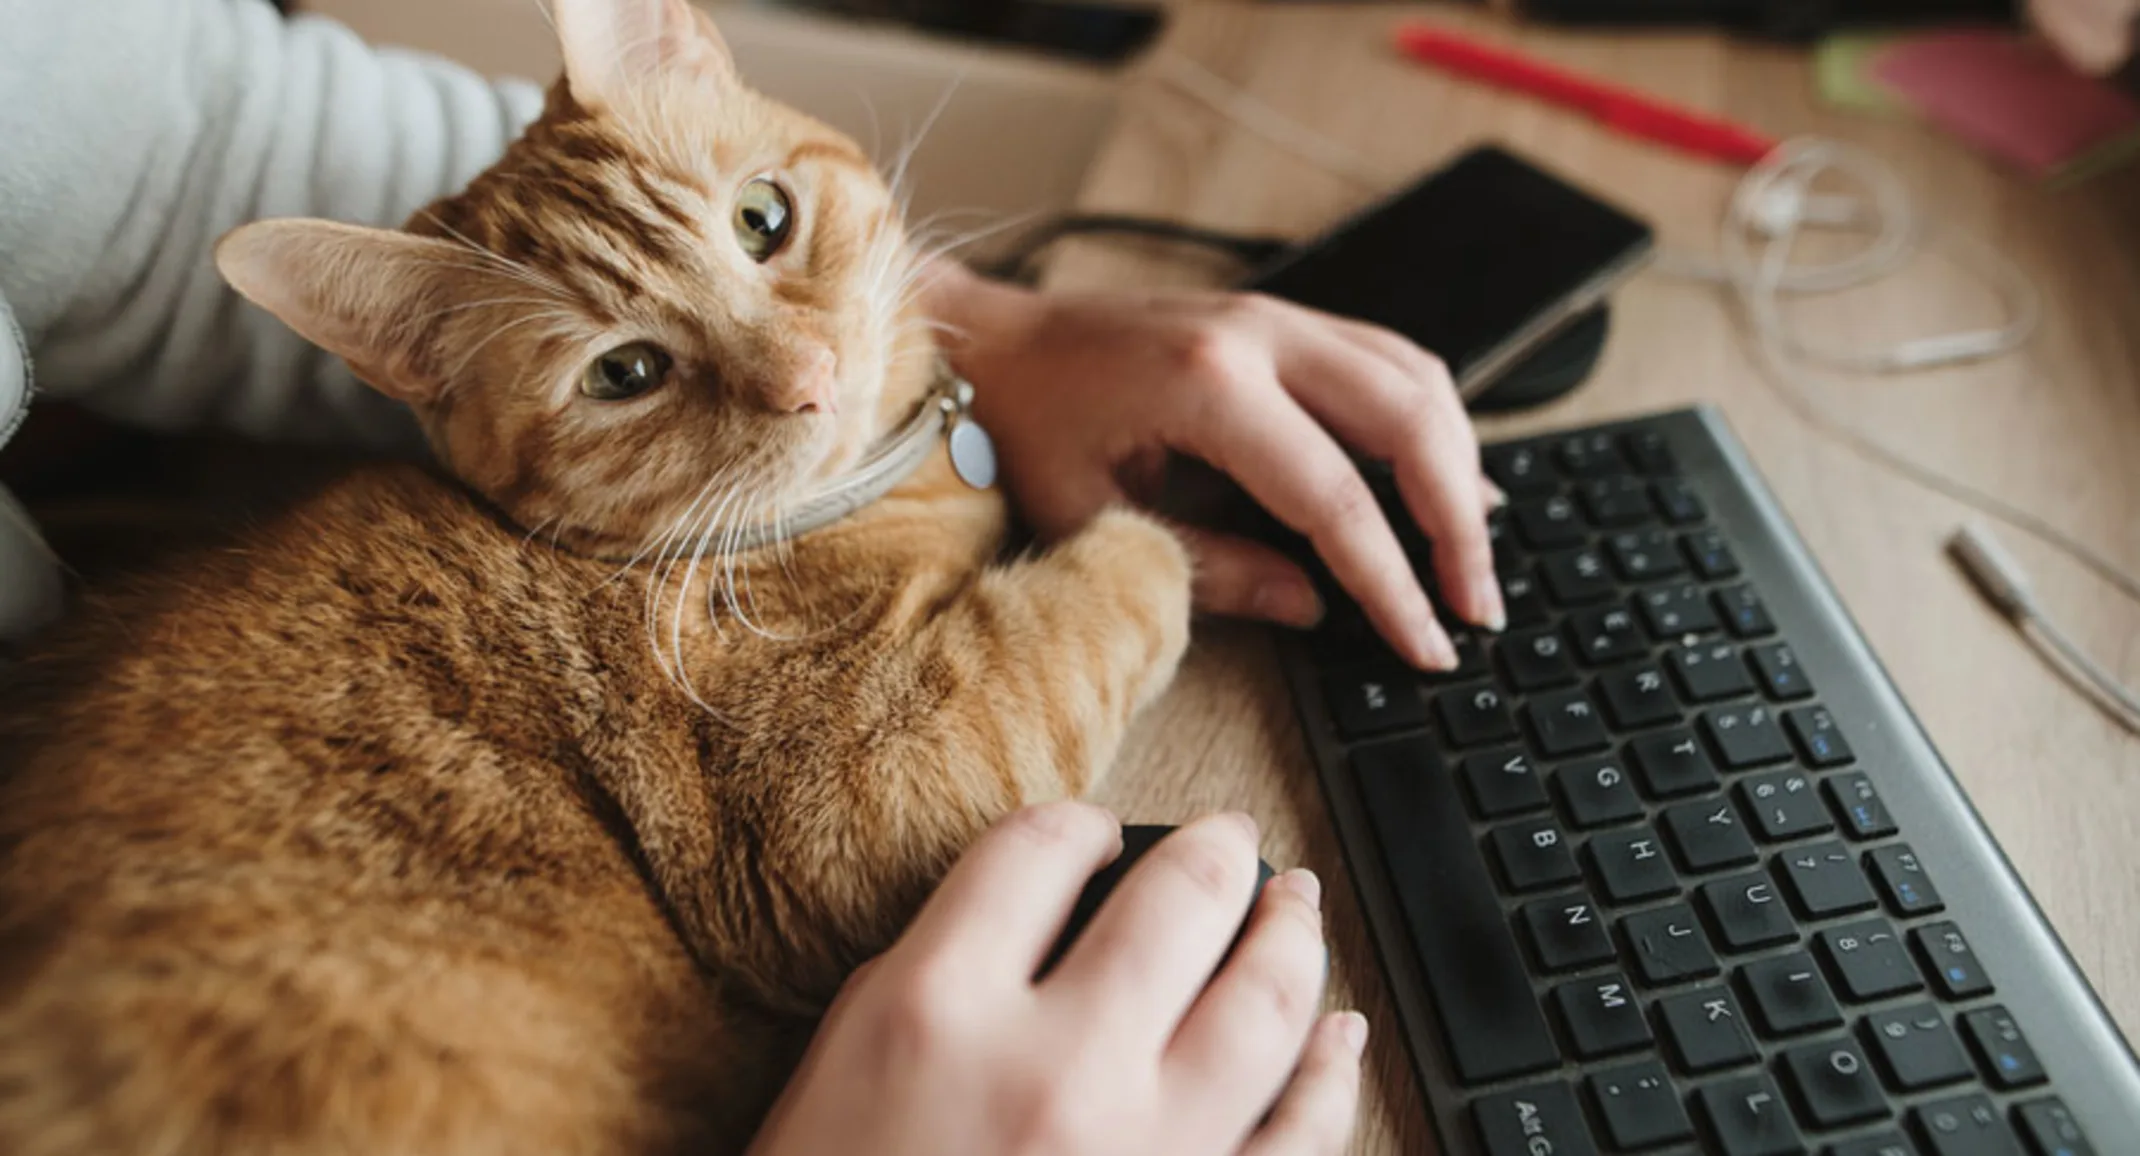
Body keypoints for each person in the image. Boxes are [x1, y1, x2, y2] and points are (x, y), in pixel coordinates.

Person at [0, 1, 1497, 1151]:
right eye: (634, 373)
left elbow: (174, 140)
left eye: (766, 223)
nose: (799, 372)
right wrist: (1133, 577)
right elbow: (858, 849)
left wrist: (997, 330)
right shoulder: (664, 605)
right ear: (426, 381)